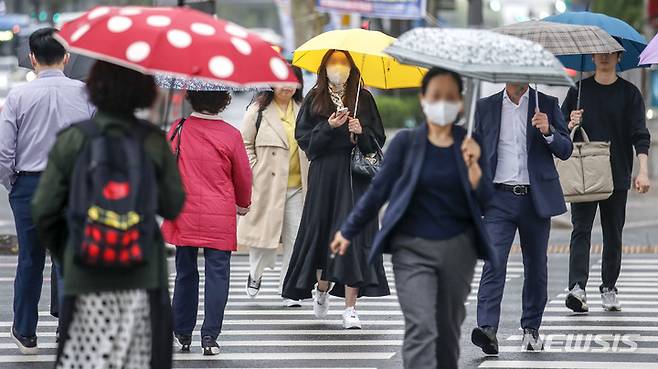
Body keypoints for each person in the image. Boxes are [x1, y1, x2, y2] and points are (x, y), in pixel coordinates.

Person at [331, 67, 496, 369]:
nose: (442, 103)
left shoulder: (469, 143)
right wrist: (348, 230)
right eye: (436, 96)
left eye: (450, 97)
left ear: (460, 103)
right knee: (421, 326)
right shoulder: (407, 143)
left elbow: (487, 200)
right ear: (423, 99)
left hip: (458, 250)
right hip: (412, 250)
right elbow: (378, 191)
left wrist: (474, 169)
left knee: (447, 330)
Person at [32, 60, 185, 369]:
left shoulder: (74, 139)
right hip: (143, 276)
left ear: (95, 88)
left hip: (85, 274)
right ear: (142, 91)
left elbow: (44, 208)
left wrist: (70, 251)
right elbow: (172, 205)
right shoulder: (153, 141)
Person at [0, 28, 95, 354]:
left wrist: (13, 183)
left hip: (30, 185)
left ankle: (26, 332)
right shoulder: (85, 94)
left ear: (32, 58)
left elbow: (3, 152)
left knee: (30, 260)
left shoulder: (17, 97)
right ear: (66, 58)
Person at [282, 49, 389, 329]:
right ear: (324, 66)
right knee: (323, 236)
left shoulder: (363, 98)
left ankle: (351, 308)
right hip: (325, 178)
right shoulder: (314, 99)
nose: (338, 67)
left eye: (343, 62)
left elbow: (377, 142)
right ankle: (321, 288)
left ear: (352, 67)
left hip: (356, 180)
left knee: (353, 239)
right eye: (333, 61)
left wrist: (360, 131)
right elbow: (306, 144)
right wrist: (329, 127)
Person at [471, 83, 572, 354]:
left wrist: (548, 131)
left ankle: (531, 328)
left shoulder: (547, 104)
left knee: (536, 265)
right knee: (494, 262)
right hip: (498, 199)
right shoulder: (485, 106)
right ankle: (488, 329)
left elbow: (566, 149)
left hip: (535, 198)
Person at [161, 89, 252, 355]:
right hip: (219, 213)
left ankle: (183, 331)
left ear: (191, 98)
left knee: (185, 271)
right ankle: (210, 336)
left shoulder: (179, 128)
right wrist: (243, 204)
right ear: (224, 100)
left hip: (184, 211)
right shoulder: (230, 135)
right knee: (218, 275)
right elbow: (243, 176)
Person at [562, 52, 651, 313]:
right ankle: (577, 288)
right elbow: (559, 129)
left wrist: (642, 170)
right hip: (583, 174)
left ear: (618, 56)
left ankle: (609, 287)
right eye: (599, 52)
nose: (604, 57)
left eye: (610, 52)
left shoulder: (630, 93)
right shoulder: (578, 91)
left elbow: (640, 135)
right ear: (591, 56)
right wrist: (570, 121)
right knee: (581, 230)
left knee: (613, 233)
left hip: (617, 174)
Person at [239, 66, 309, 307]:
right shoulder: (257, 111)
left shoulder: (304, 111)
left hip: (298, 187)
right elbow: (245, 143)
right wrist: (255, 170)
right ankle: (255, 274)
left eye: (292, 82)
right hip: (267, 185)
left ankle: (288, 289)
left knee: (295, 238)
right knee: (264, 238)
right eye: (282, 81)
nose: (287, 86)